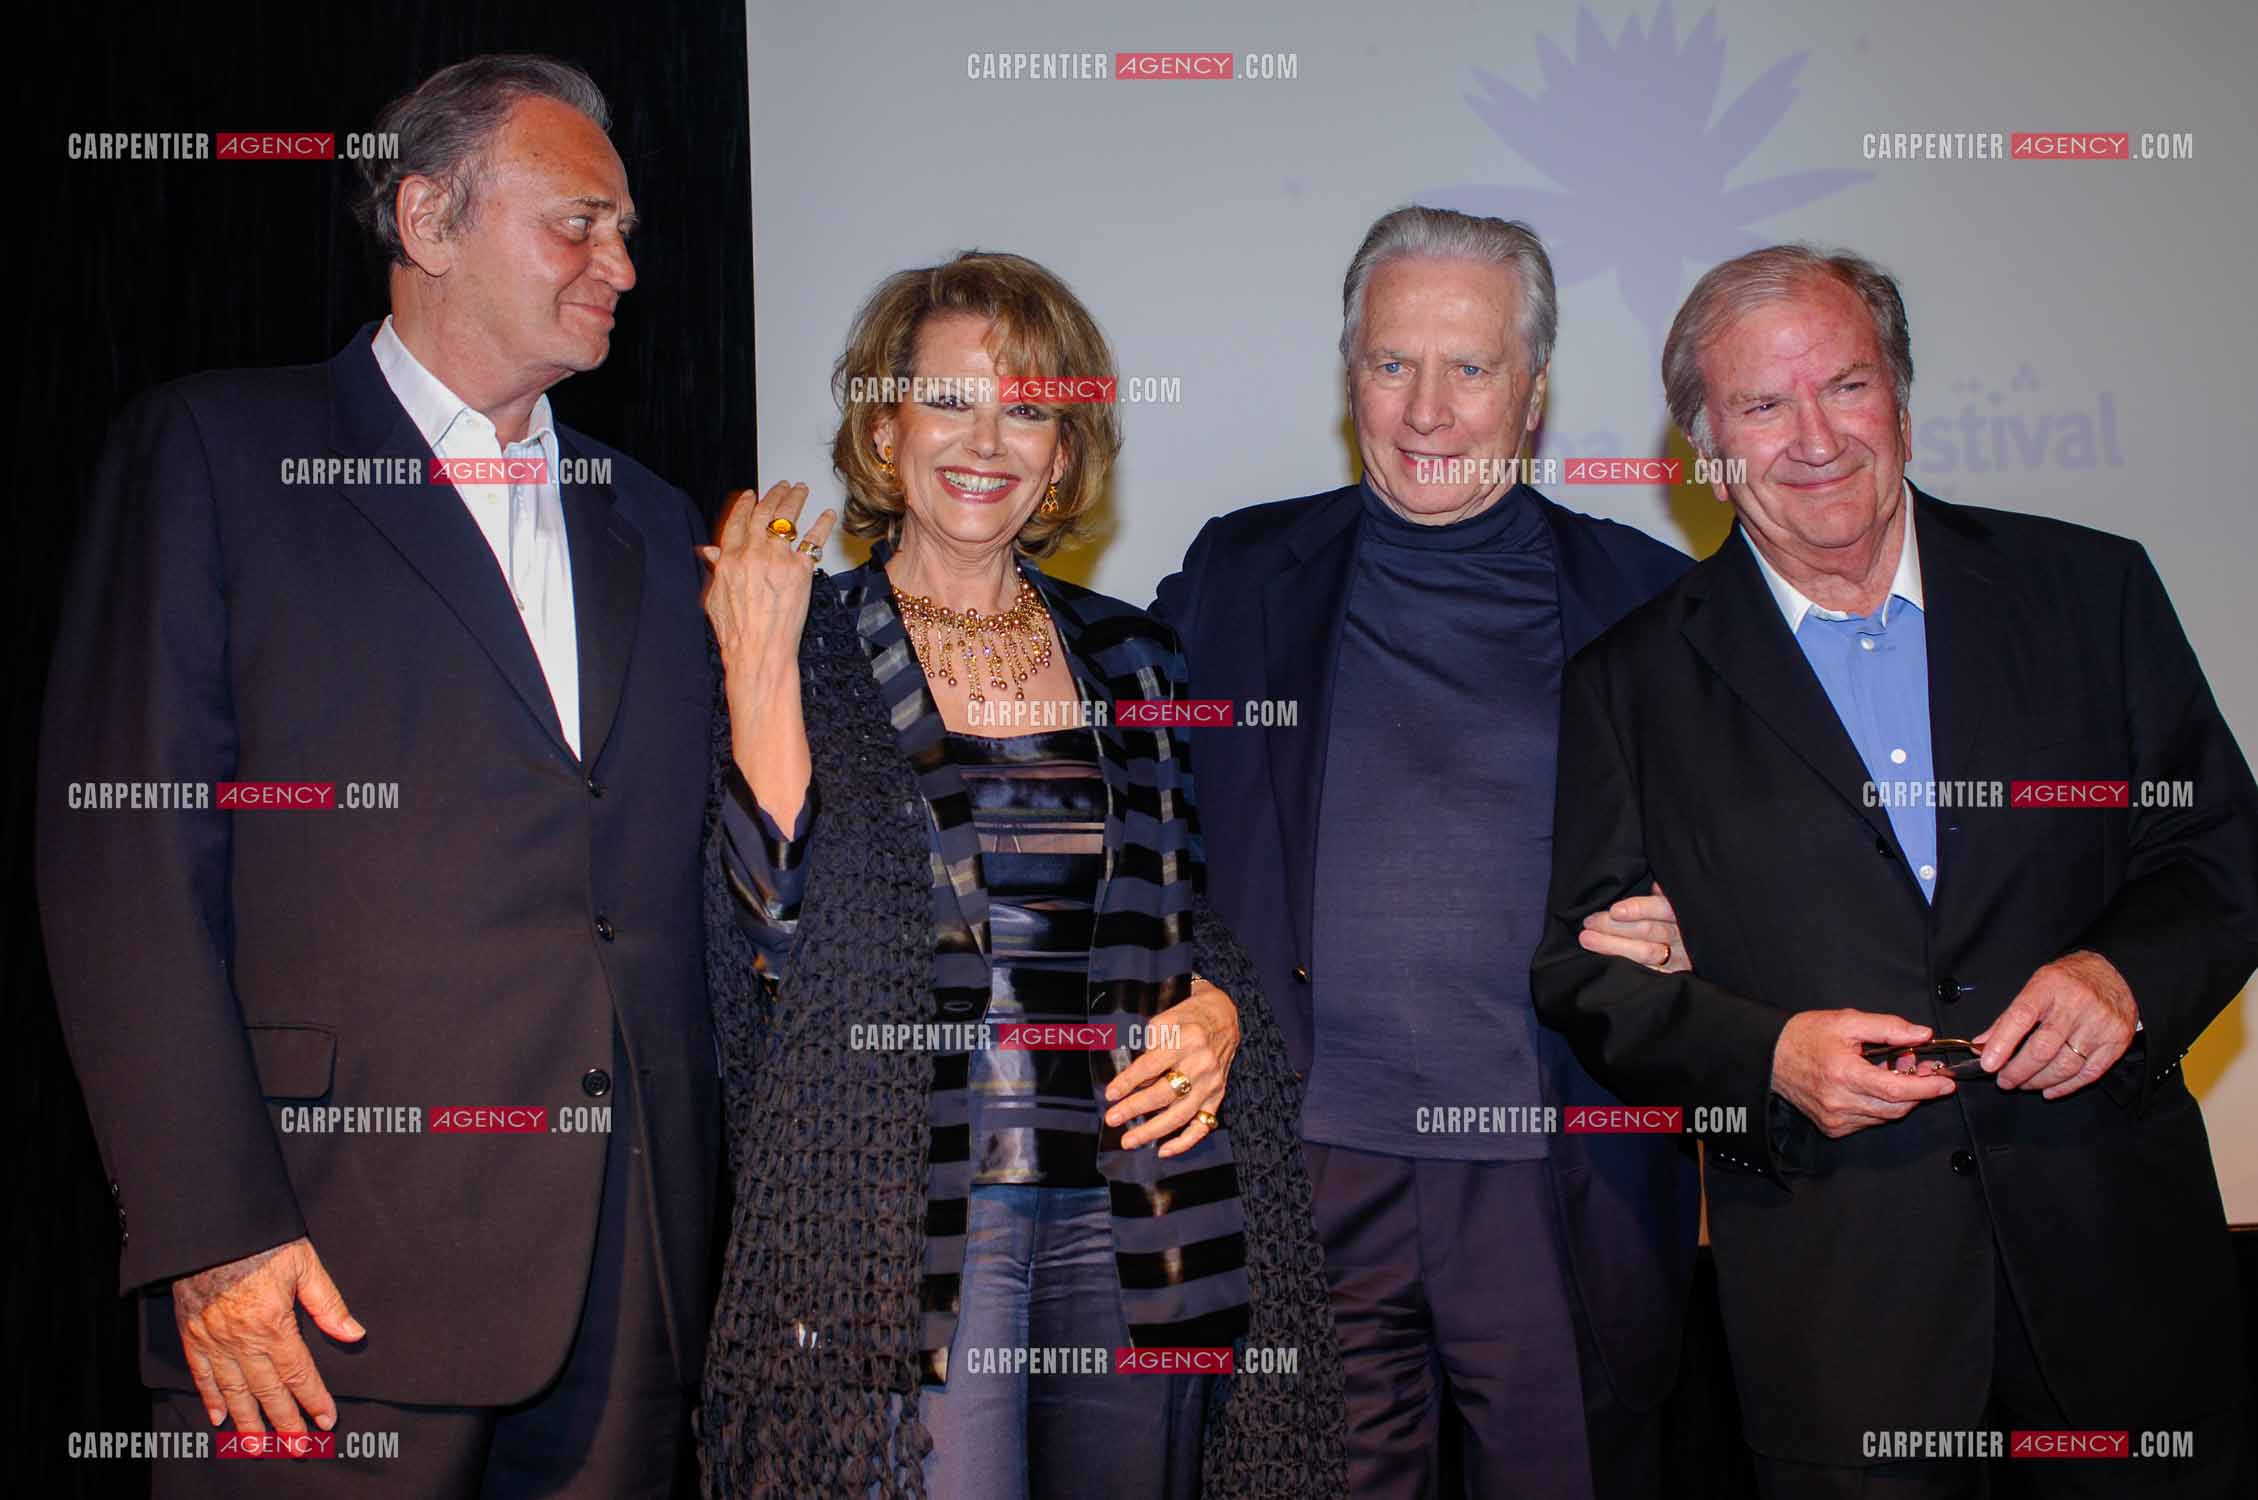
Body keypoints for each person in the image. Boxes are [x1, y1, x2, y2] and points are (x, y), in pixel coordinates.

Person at [35, 56, 716, 1497]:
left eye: (626, 231)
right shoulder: (217, 453)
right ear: (427, 220)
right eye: (579, 223)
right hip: (314, 1283)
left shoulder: (654, 523)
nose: (621, 267)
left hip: (627, 1289)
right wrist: (212, 1228)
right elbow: (124, 867)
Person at [1532, 243, 2258, 1498]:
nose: (1815, 439)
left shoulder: (2090, 590)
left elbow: (2217, 849)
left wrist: (2122, 978)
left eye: (1846, 386)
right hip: (1842, 1314)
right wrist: (1765, 1055)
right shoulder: (1627, 685)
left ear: (1902, 403)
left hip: (2119, 1276)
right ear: (1705, 453)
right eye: (1763, 405)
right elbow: (1585, 975)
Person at [697, 250, 1345, 1500]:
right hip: (910, 1214)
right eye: (948, 400)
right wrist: (758, 670)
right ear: (882, 431)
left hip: (1138, 1208)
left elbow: (1181, 914)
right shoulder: (807, 638)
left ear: (1063, 455)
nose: (986, 440)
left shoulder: (1137, 656)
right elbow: (772, 926)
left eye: (1029, 409)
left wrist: (1217, 1007)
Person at [1154, 205, 1699, 1499]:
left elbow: (1762, 835)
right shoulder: (1238, 571)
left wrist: (1706, 917)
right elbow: (1123, 777)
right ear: (1350, 373)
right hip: (1302, 1168)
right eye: (1392, 362)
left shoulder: (1646, 594)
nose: (1427, 410)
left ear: (1534, 389)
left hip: (1554, 1171)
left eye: (1470, 367)